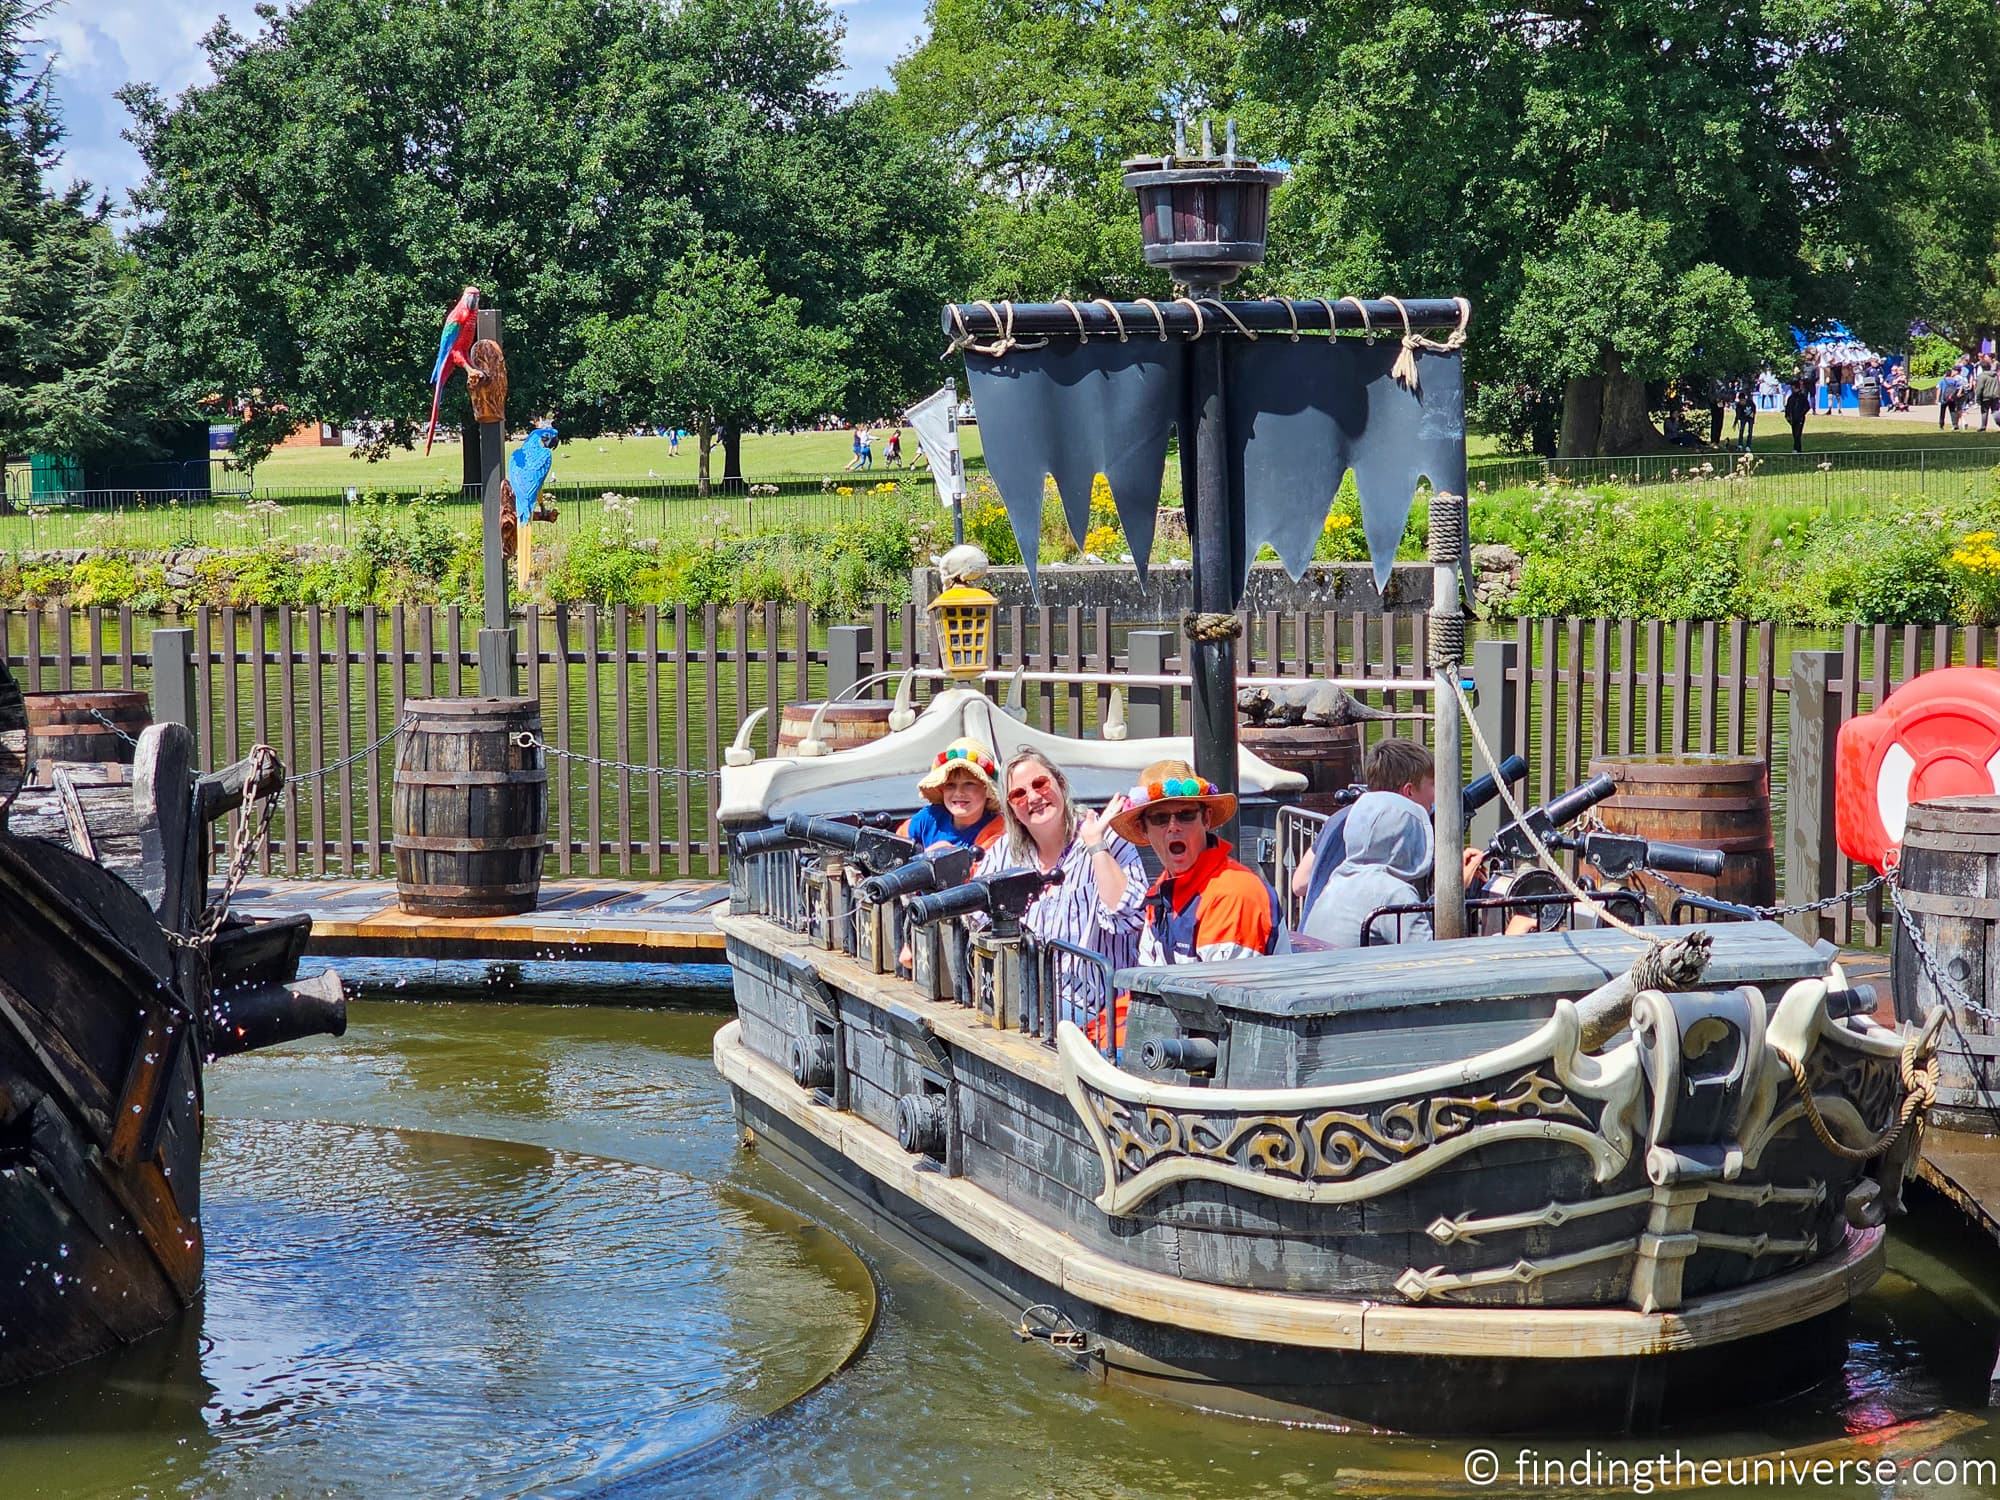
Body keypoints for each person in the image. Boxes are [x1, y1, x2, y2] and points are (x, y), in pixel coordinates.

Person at [1092, 760, 1281, 1051]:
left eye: (1185, 815)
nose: (1173, 827)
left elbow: (1225, 1015)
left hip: (1230, 1053)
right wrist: (1098, 1033)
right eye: (1160, 819)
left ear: (1205, 820)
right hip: (1183, 1040)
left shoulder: (1233, 893)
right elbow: (1146, 994)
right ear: (1144, 830)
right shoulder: (1162, 892)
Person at [978, 749, 1146, 1028]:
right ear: (1012, 811)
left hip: (1095, 1006)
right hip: (1026, 997)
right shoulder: (1007, 852)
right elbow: (976, 912)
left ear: (1060, 784)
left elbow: (1129, 916)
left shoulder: (1107, 837)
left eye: (1040, 784)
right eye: (1018, 794)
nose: (1032, 797)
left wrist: (1096, 846)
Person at [1291, 738, 1433, 915]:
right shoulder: (1388, 827)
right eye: (1433, 785)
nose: (1436, 795)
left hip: (1316, 932)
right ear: (1409, 791)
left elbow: (1299, 883)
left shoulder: (1340, 818)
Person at [1298, 792, 1436, 948]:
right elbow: (1425, 953)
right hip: (1358, 971)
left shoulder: (1339, 879)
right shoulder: (1394, 893)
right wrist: (1452, 893)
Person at [901, 738, 1005, 852]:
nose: (959, 792)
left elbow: (984, 868)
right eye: (950, 785)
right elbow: (897, 847)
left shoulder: (997, 831)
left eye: (969, 784)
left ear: (987, 790)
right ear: (942, 789)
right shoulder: (929, 818)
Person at [1784, 379, 1810, 453]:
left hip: (1800, 418)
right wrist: (1787, 416)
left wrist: (1802, 414)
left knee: (1798, 434)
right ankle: (1798, 448)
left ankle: (1796, 448)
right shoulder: (1791, 398)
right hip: (1793, 419)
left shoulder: (1802, 397)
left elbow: (1807, 407)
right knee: (1794, 434)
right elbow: (1788, 408)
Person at [1977, 356, 1999, 433]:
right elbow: (1997, 385)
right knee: (1995, 411)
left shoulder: (1982, 376)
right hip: (1995, 396)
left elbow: (1979, 388)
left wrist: (1978, 398)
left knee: (1984, 412)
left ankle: (1983, 427)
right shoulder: (1995, 375)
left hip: (1985, 396)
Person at [1732, 384, 1755, 451]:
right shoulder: (1738, 405)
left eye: (1743, 400)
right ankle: (1740, 444)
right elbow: (1737, 414)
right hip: (1743, 418)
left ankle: (1748, 445)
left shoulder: (1750, 402)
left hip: (1750, 418)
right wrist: (1735, 423)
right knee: (1741, 430)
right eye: (1740, 400)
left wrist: (1753, 418)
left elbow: (1754, 410)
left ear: (1745, 399)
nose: (1742, 402)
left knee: (1750, 431)